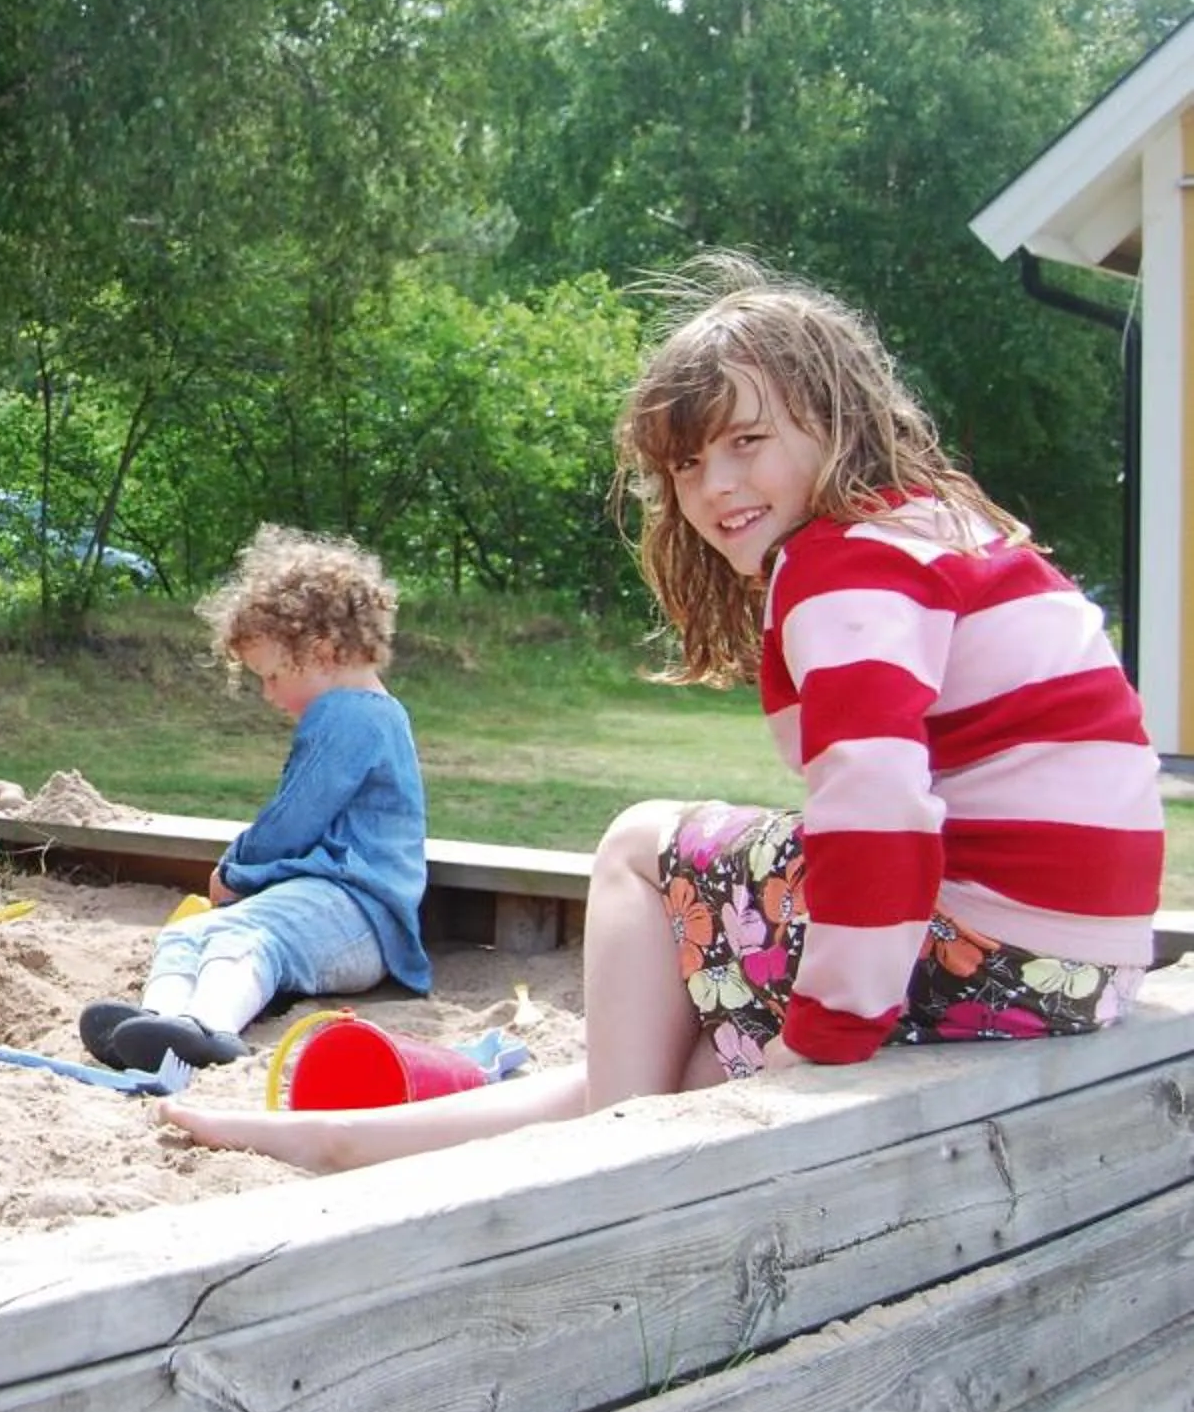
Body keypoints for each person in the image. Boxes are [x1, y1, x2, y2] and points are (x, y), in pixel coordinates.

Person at [165, 257, 1162, 1171]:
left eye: (747, 442)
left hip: (980, 949)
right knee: (682, 1072)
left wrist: (827, 1033)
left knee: (638, 843)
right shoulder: (949, 527)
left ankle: (613, 1169)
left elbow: (879, 803)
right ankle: (350, 1136)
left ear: (839, 419)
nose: (715, 485)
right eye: (686, 464)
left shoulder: (843, 562)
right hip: (1078, 971)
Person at [77, 525, 430, 1073]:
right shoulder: (371, 711)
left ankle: (209, 1026)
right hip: (329, 909)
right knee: (191, 933)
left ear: (324, 653)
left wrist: (237, 869)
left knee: (243, 938)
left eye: (270, 676)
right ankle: (152, 1022)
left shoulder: (348, 716)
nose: (267, 694)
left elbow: (294, 818)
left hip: (358, 911)